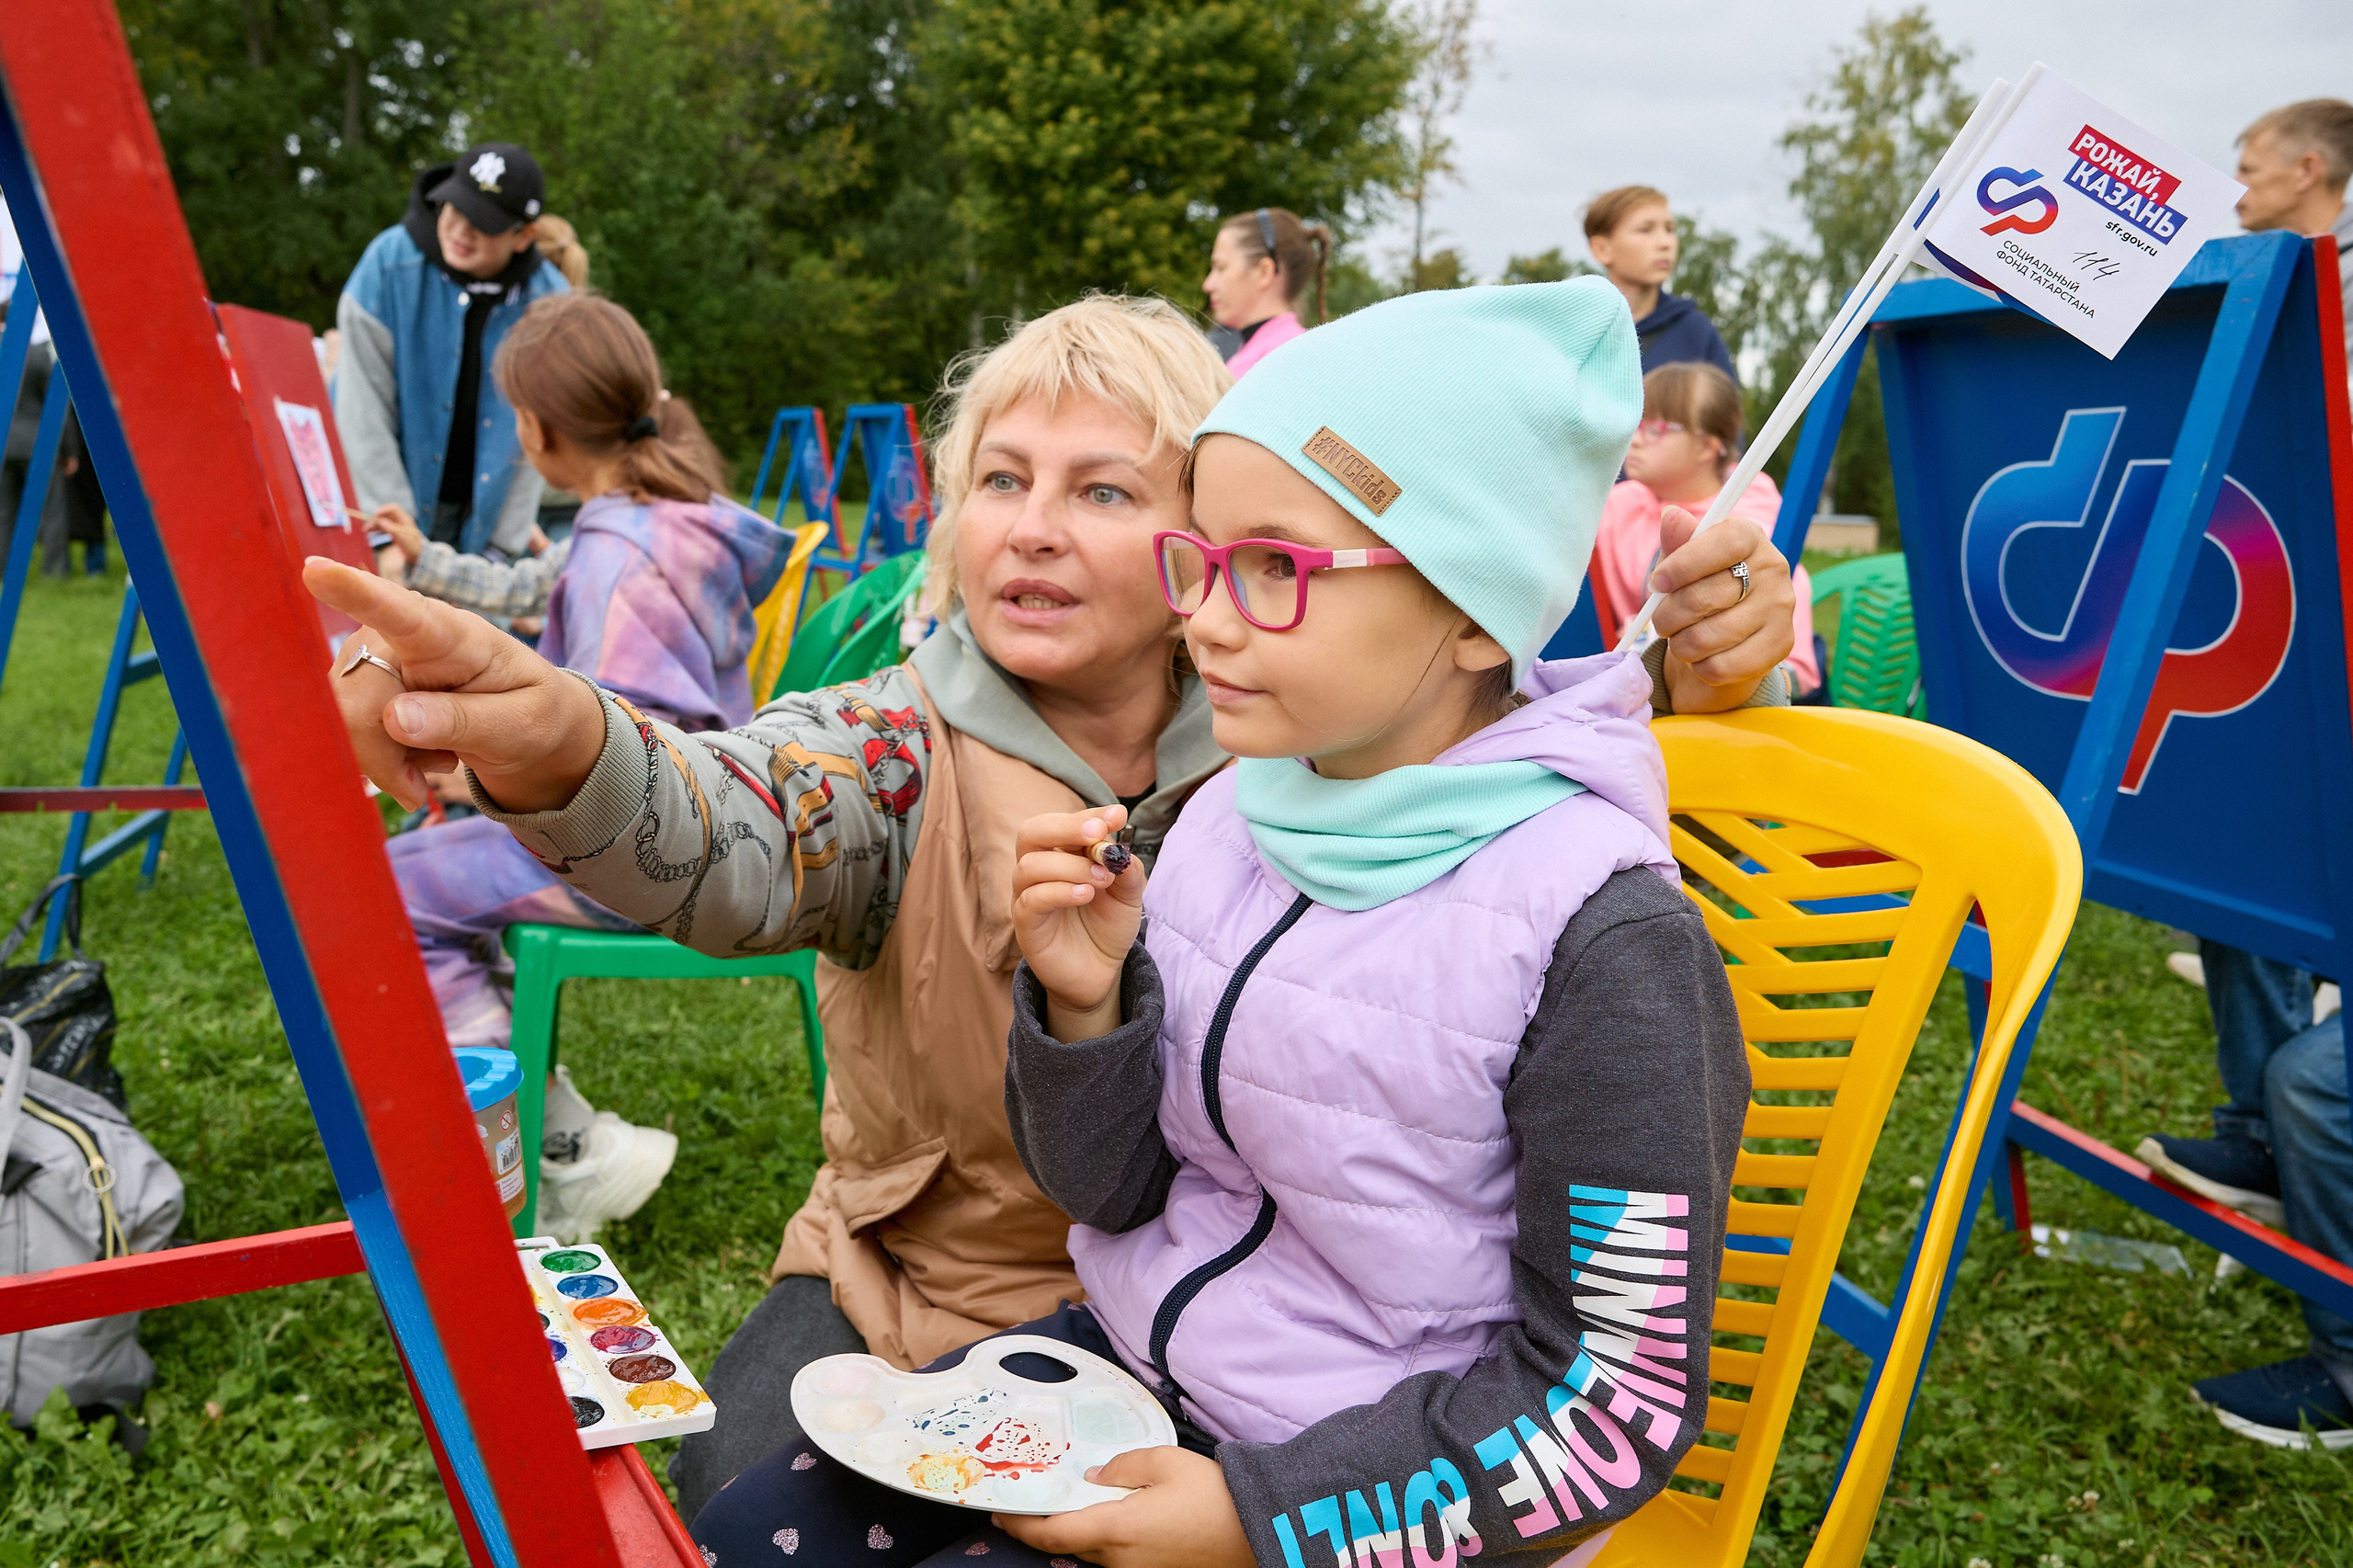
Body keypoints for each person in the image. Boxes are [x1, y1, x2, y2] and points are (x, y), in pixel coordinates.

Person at [303, 290, 1802, 1524]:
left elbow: (1498, 713)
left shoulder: (1312, 756)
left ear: (1192, 542)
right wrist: (567, 742)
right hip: (912, 1277)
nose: (1028, 527)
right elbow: (722, 816)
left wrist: (1710, 652)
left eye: (1100, 491)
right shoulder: (894, 747)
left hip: (1214, 1340)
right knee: (738, 1503)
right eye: (998, 482)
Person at [689, 279, 1748, 1566]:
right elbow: (1119, 1188)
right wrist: (1085, 1013)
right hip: (1129, 1375)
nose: (1205, 615)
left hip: (1366, 1499)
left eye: (1275, 569)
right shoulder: (1233, 821)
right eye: (1205, 557)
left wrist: (1262, 1521)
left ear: (1474, 612)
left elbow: (1611, 1406)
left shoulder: (1599, 938)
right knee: (749, 1528)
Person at [370, 292, 791, 1241]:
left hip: (648, 854)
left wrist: (464, 775)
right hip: (692, 823)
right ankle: (563, 1135)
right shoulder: (656, 517)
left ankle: (507, 1165)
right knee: (428, 853)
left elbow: (621, 752)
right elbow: (548, 593)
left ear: (539, 428)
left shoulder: (621, 554)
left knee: (385, 892)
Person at [2136, 98, 2353, 1453]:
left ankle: (2341, 1342)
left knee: (2317, 1077)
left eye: (2252, 159)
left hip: (2322, 648)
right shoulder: (2272, 296)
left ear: (2315, 169)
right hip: (2291, 666)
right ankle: (2272, 1143)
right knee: (2240, 893)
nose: (2235, 178)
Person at [335, 142, 569, 562]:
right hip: (379, 513)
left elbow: (540, 435)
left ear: (524, 236)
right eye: (455, 208)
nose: (461, 229)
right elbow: (362, 407)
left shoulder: (551, 304)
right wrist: (390, 533)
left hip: (484, 529)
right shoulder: (386, 266)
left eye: (483, 222)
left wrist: (501, 549)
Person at [1593, 362, 1819, 694]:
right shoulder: (1618, 504)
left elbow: (1788, 670)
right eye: (1635, 422)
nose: (1635, 438)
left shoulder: (1751, 521)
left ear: (1708, 446)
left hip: (1738, 692)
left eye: (1655, 428)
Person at [1585, 185, 1736, 383]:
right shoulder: (1572, 332)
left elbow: (1725, 413)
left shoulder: (1696, 333)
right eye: (1645, 230)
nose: (1665, 243)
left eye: (1670, 229)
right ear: (1602, 249)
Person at [1201, 207, 1330, 377]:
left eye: (1221, 268)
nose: (1208, 285)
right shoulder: (1268, 352)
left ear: (1264, 272)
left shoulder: (1287, 359)